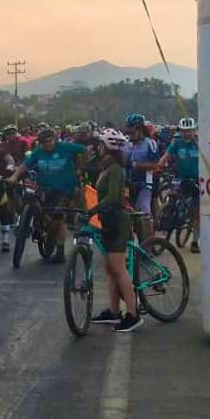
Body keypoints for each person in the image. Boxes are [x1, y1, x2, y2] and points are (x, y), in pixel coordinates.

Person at [88, 129, 143, 332]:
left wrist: (92, 210)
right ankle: (113, 312)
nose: (98, 147)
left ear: (106, 146)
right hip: (108, 220)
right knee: (110, 269)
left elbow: (113, 198)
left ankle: (133, 315)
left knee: (119, 269)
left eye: (100, 144)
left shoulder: (115, 169)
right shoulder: (106, 166)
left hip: (117, 220)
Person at [7, 128, 86, 263]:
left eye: (49, 141)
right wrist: (14, 177)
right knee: (44, 214)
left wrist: (82, 167)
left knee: (58, 218)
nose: (47, 144)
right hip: (45, 189)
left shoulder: (66, 147)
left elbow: (86, 150)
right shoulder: (38, 152)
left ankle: (60, 253)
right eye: (43, 142)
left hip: (65, 190)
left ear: (55, 140)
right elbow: (25, 165)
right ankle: (43, 229)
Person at [158, 116, 201, 253]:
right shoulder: (177, 143)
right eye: (184, 131)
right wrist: (158, 167)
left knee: (197, 212)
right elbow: (166, 156)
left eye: (189, 131)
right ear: (180, 131)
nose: (187, 133)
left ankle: (195, 241)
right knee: (171, 196)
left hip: (196, 180)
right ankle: (166, 222)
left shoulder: (199, 143)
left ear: (194, 130)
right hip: (180, 178)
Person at [124, 113, 159, 235]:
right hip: (127, 185)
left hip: (144, 184)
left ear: (140, 130)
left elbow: (155, 165)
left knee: (144, 213)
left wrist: (135, 164)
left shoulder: (150, 143)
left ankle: (149, 244)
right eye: (128, 132)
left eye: (132, 132)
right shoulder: (125, 143)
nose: (130, 135)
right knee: (125, 215)